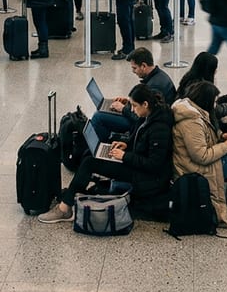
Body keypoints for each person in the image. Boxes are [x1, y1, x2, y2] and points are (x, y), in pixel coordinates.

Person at [38, 83, 174, 224]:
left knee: (90, 163)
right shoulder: (149, 115)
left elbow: (154, 164)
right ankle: (73, 195)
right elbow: (140, 140)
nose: (132, 110)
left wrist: (124, 156)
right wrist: (126, 144)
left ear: (145, 104)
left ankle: (65, 209)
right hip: (137, 166)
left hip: (148, 179)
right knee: (89, 156)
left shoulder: (160, 127)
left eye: (134, 105)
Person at [172, 80, 227, 225]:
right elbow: (201, 156)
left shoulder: (194, 112)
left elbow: (205, 132)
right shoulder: (191, 122)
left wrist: (221, 136)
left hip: (193, 163)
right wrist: (226, 146)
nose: (216, 105)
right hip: (196, 170)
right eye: (214, 102)